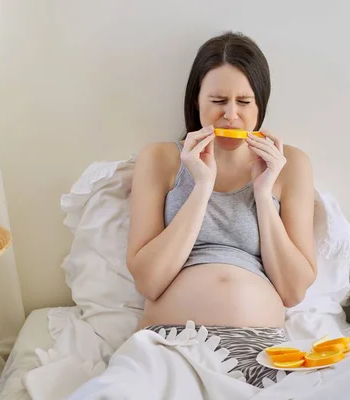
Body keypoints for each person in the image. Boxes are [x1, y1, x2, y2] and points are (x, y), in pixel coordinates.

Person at [126, 31, 317, 388]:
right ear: (196, 102)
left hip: (261, 348)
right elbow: (148, 281)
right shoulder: (160, 158)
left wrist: (263, 193)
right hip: (169, 341)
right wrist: (201, 187)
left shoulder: (292, 165)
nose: (231, 115)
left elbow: (293, 291)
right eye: (218, 100)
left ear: (260, 105)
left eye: (244, 102)